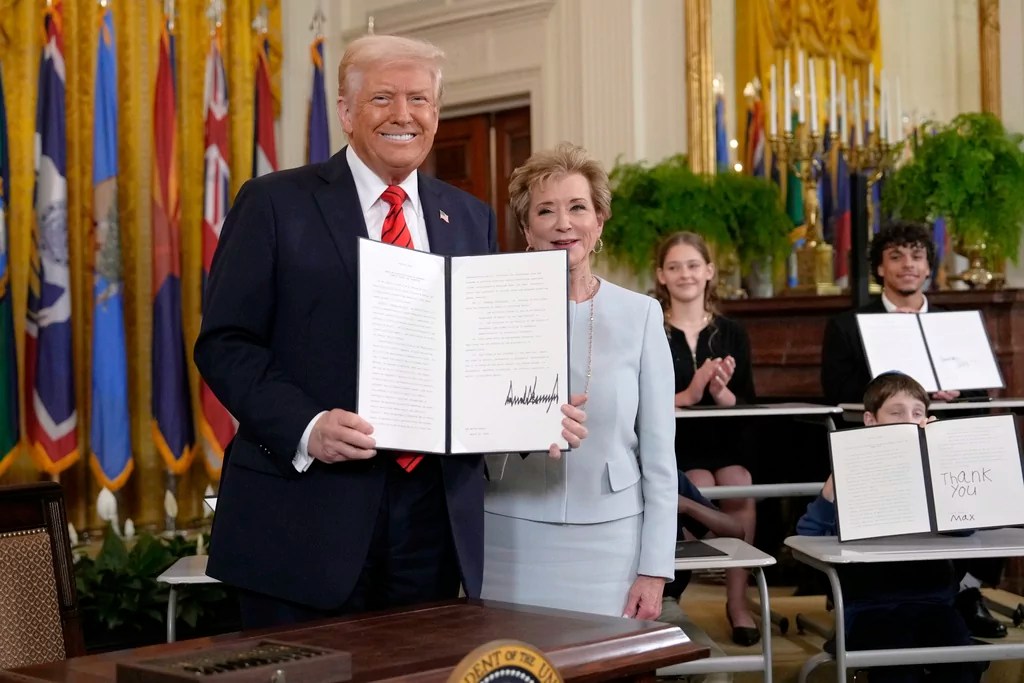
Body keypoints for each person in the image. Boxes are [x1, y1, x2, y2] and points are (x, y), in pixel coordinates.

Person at [194, 34, 587, 629]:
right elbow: (224, 343)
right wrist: (307, 426)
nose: (404, 115)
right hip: (306, 518)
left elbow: (480, 356)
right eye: (383, 97)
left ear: (436, 113)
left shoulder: (469, 216)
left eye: (420, 99)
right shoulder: (274, 204)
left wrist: (531, 414)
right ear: (347, 114)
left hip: (432, 520)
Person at [481, 143, 677, 620]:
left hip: (612, 536)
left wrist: (655, 569)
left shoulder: (642, 314)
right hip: (511, 529)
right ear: (527, 229)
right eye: (545, 211)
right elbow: (471, 421)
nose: (562, 223)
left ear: (599, 221)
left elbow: (659, 455)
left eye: (577, 208)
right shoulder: (492, 308)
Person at [820, 220, 1006, 638]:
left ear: (928, 267)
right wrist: (898, 387)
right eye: (896, 256)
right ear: (880, 268)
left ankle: (968, 587)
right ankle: (870, 596)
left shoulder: (954, 324)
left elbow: (980, 394)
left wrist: (957, 392)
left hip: (944, 432)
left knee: (1002, 467)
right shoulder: (849, 324)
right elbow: (838, 391)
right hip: (880, 441)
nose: (908, 264)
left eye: (917, 256)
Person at [797, 372, 986, 683]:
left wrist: (943, 462)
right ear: (871, 420)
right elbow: (808, 536)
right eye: (896, 413)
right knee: (899, 670)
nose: (909, 421)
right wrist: (832, 488)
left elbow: (964, 530)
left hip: (933, 603)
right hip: (869, 607)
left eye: (917, 413)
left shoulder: (938, 472)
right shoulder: (854, 469)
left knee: (962, 662)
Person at [654, 231, 761, 646]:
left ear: (710, 272)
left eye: (693, 265)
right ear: (662, 275)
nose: (685, 274)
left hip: (724, 438)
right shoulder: (653, 327)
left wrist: (720, 394)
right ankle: (678, 596)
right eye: (675, 266)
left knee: (739, 481)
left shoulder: (731, 331)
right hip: (678, 442)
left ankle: (738, 602)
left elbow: (746, 400)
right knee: (700, 481)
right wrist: (690, 394)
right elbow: (643, 397)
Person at [661, 471, 745, 682]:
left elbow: (735, 531)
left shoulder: (666, 473)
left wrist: (688, 505)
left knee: (716, 670)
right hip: (598, 607)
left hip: (661, 604)